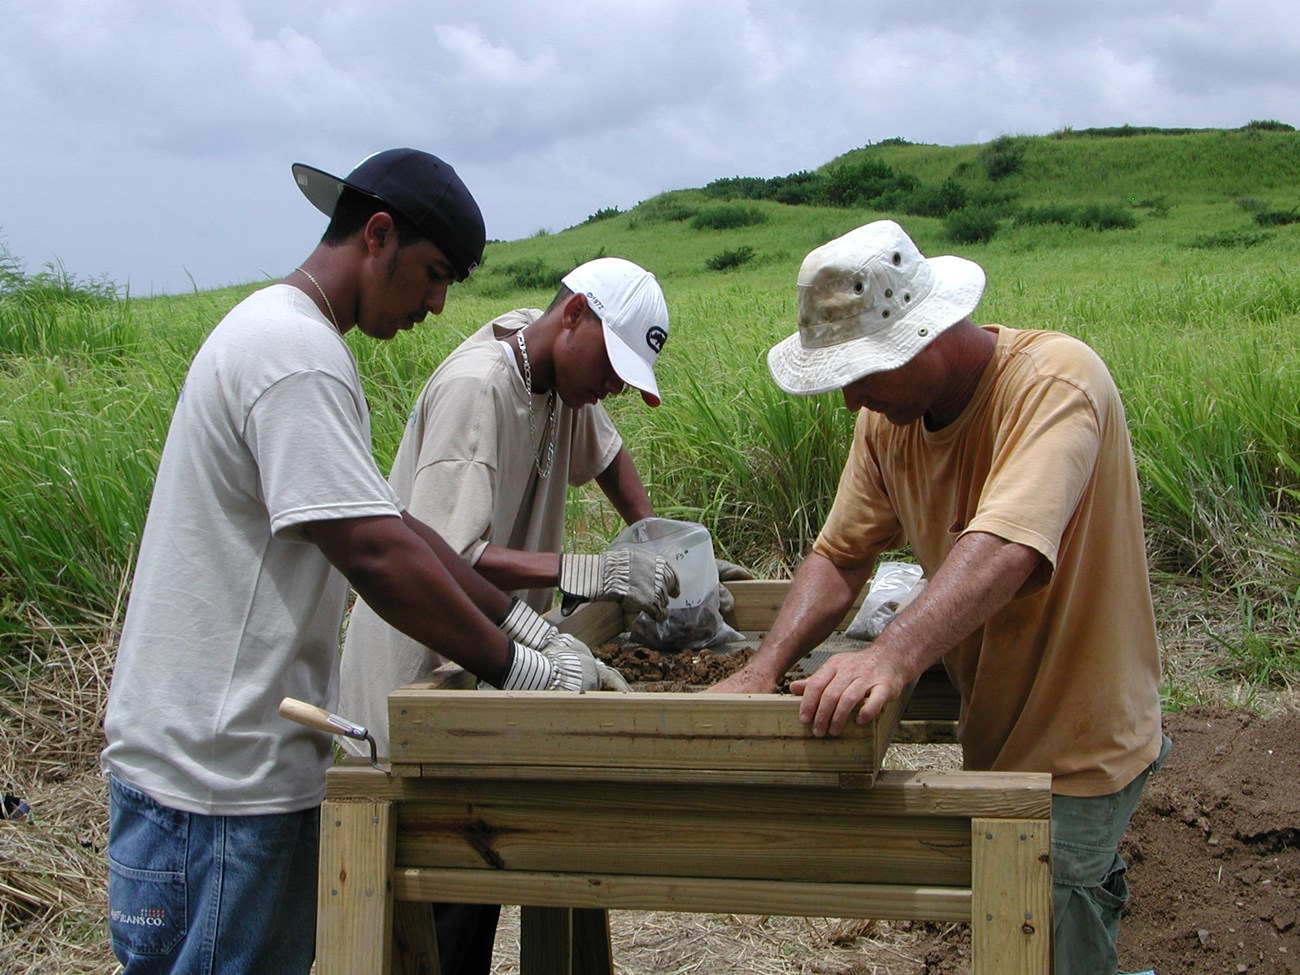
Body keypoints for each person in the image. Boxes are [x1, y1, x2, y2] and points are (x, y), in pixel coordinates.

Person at [99, 148, 641, 975]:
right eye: (431, 274)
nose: (437, 303)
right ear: (377, 234)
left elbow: (400, 529)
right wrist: (522, 670)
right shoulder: (294, 355)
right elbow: (379, 557)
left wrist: (523, 620)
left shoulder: (295, 341)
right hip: (212, 789)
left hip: (236, 772)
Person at [711, 220, 1168, 975]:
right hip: (998, 728)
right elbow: (840, 555)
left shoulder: (1054, 382)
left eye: (863, 371)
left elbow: (1010, 546)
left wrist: (889, 655)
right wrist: (766, 665)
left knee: (1054, 936)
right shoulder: (885, 425)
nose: (851, 395)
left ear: (926, 333)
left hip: (1087, 738)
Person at [337, 255, 674, 975]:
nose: (611, 384)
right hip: (423, 674)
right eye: (612, 365)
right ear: (575, 313)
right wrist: (586, 570)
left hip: (493, 670)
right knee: (431, 913)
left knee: (481, 875)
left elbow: (608, 455)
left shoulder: (556, 371)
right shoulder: (478, 387)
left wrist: (656, 539)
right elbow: (447, 551)